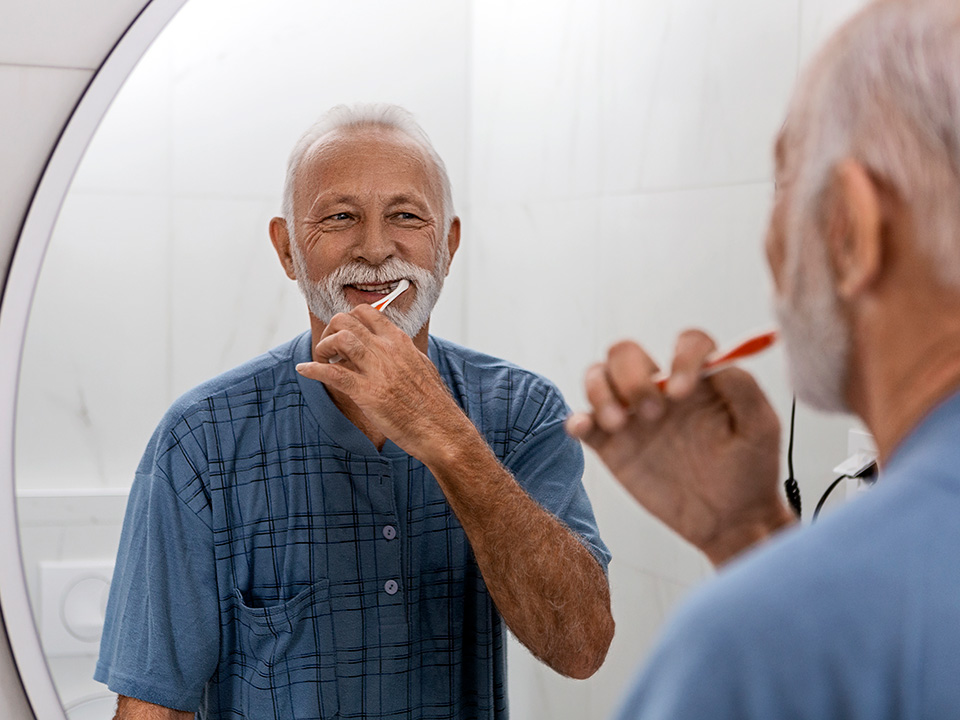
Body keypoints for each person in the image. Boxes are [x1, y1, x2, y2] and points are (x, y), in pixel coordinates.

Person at [96, 103, 614, 719]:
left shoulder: (523, 412)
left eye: (406, 215)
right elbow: (154, 707)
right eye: (340, 217)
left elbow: (581, 648)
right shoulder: (200, 440)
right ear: (287, 249)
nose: (374, 249)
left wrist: (444, 436)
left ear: (446, 245)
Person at [566, 0, 960, 717]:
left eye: (783, 185)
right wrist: (751, 535)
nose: (770, 250)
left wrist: (785, 613)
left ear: (850, 231)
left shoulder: (747, 652)